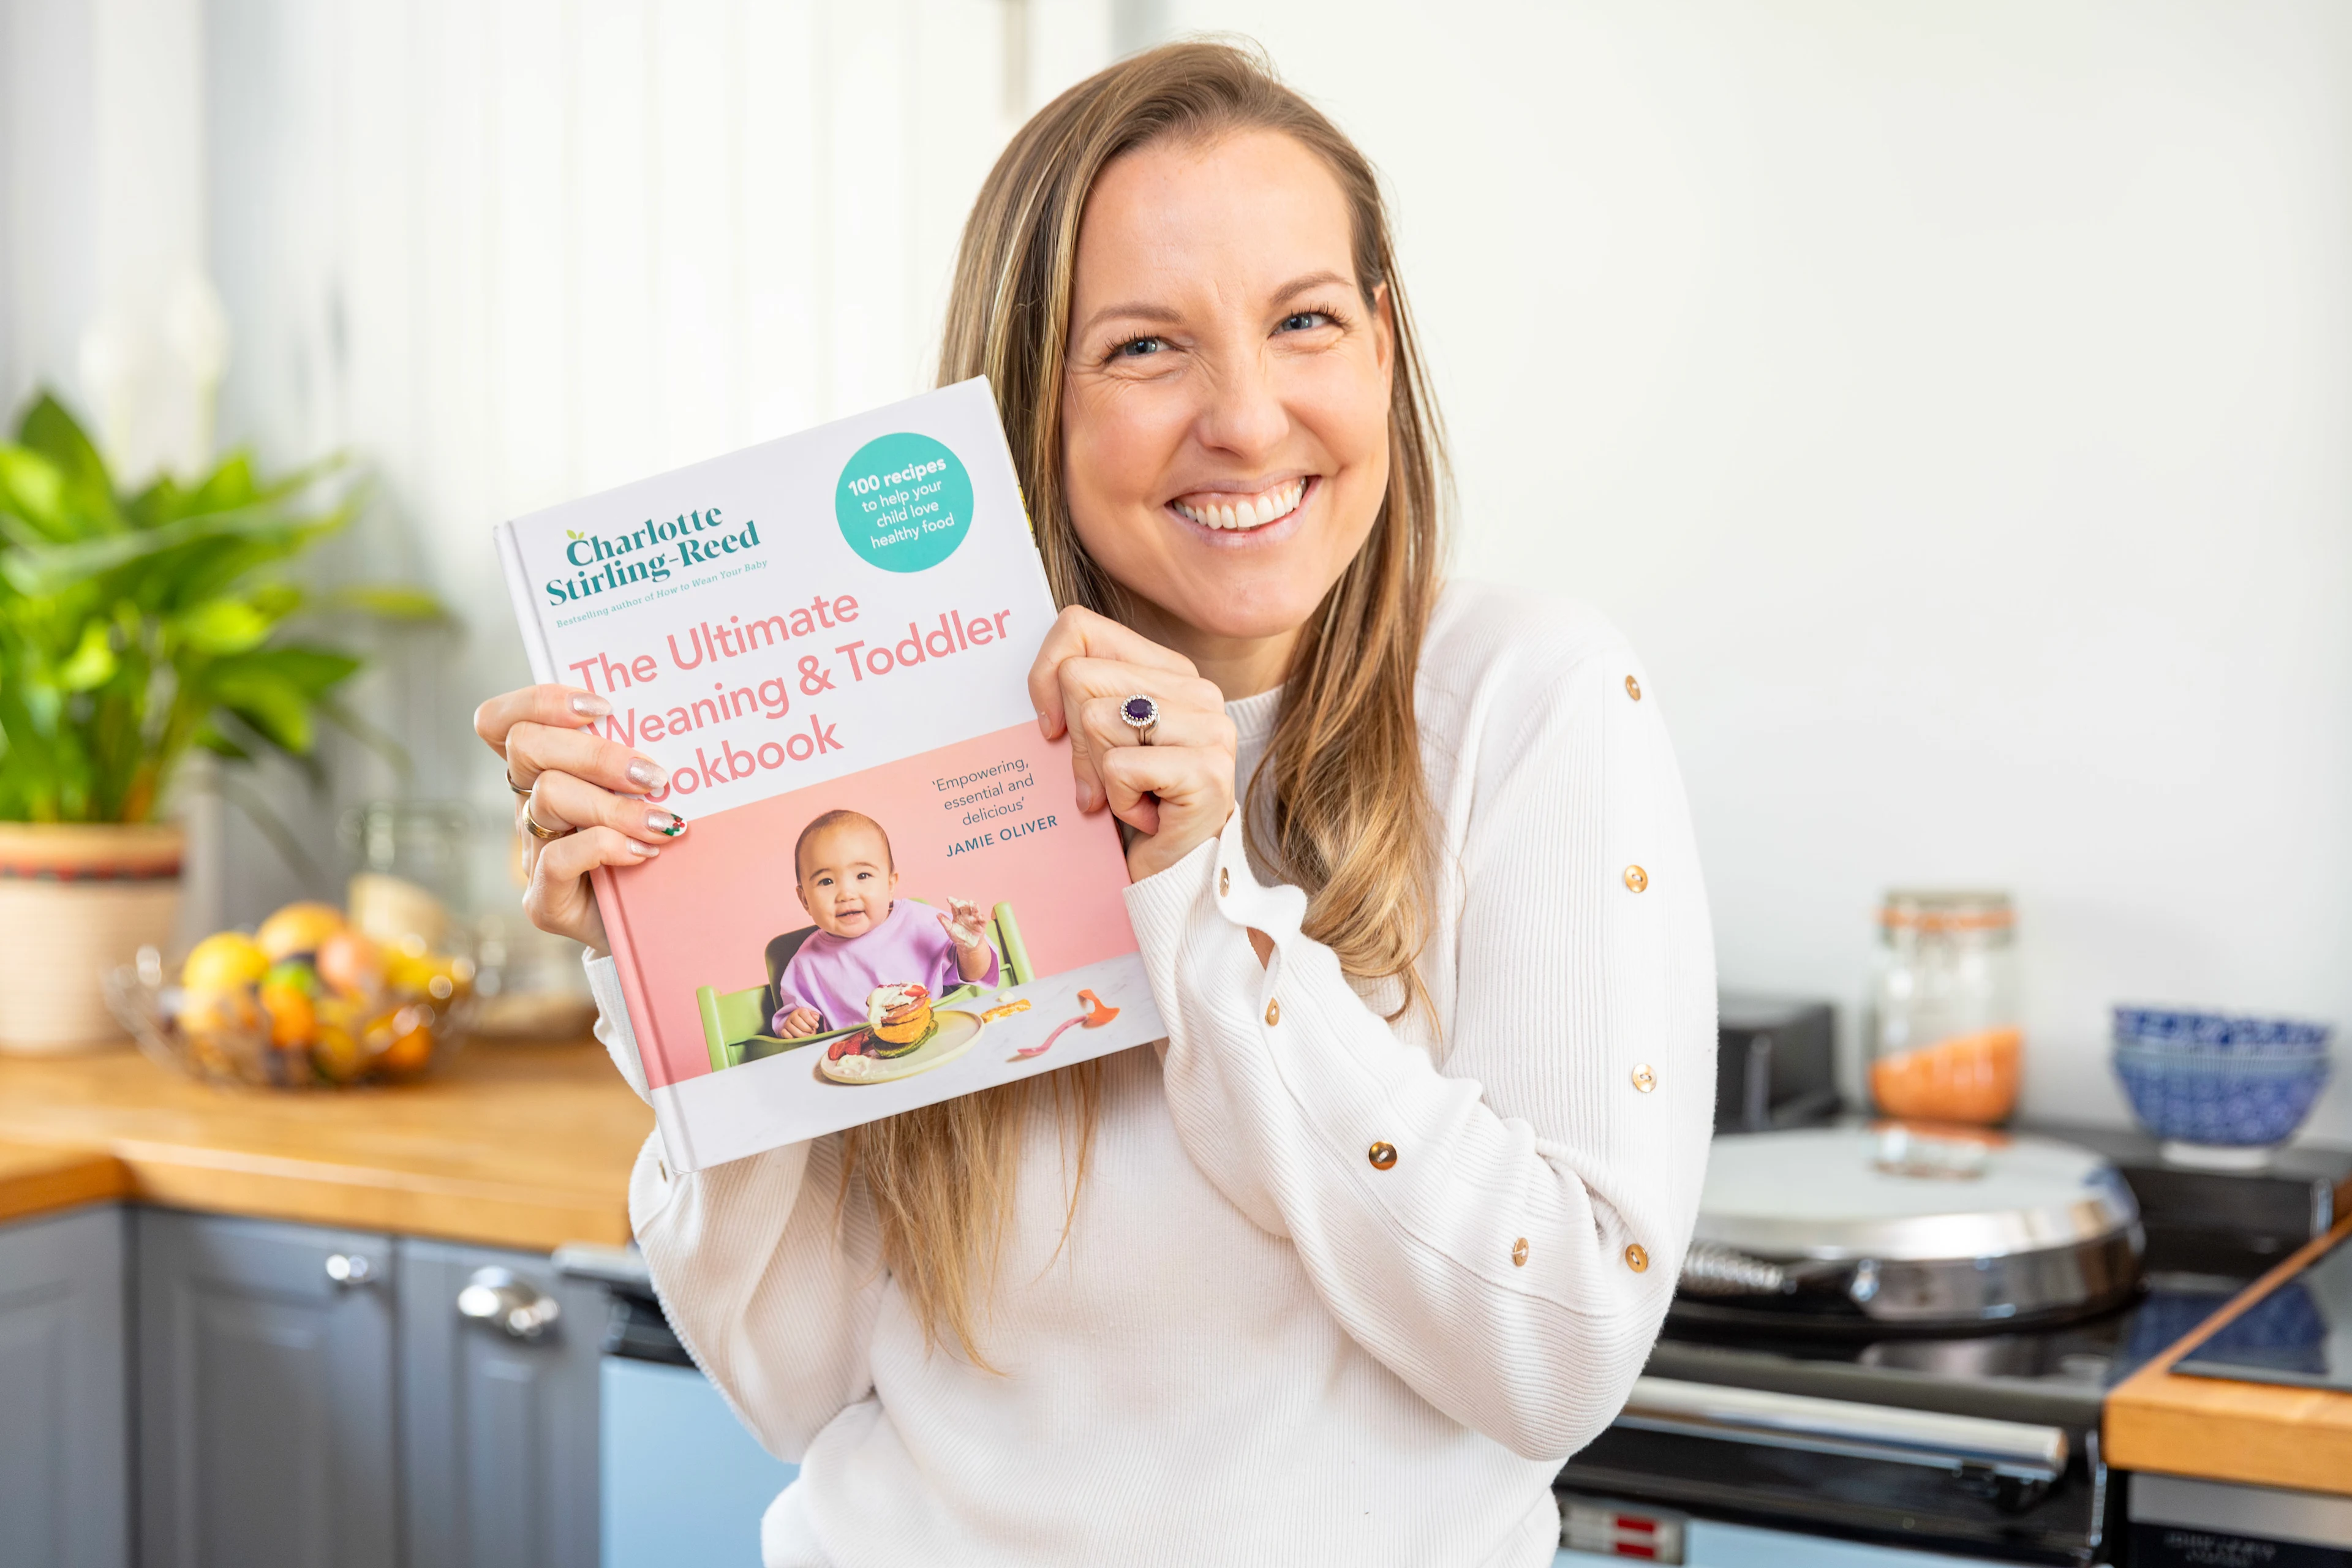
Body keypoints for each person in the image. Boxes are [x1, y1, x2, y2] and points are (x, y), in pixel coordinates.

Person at [473, 40, 1715, 1567]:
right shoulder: (897, 750)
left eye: (1304, 321)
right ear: (1022, 401)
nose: (1246, 419)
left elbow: (1560, 1354)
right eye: (1144, 347)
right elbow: (788, 1386)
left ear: (1382, 344)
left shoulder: (1529, 696)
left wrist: (1198, 894)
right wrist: (665, 964)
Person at [770, 809, 998, 1042]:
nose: (847, 894)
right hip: (859, 1060)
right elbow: (793, 1024)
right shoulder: (806, 964)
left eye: (863, 876)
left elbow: (975, 973)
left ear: (890, 885)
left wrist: (971, 948)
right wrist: (796, 1024)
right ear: (805, 900)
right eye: (826, 881)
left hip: (936, 1039)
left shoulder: (920, 923)